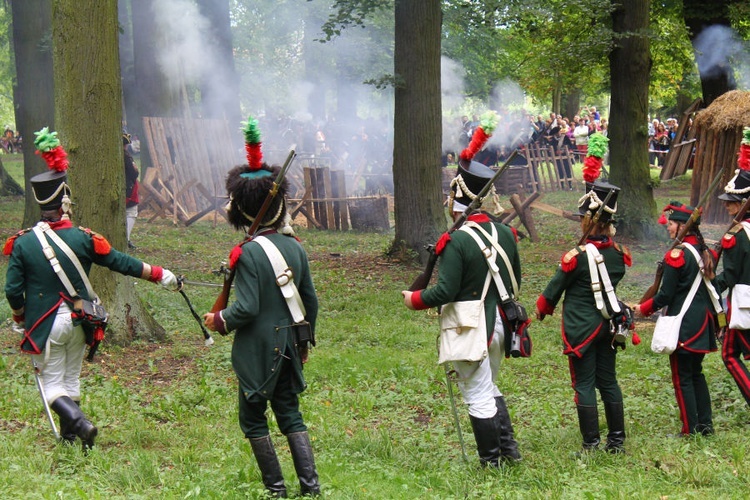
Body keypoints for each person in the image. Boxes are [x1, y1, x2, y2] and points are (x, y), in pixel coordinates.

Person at [3, 127, 180, 451]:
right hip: (81, 320)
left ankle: (82, 425)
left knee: (52, 386)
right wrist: (161, 274)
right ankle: (75, 444)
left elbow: (13, 291)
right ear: (65, 199)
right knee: (71, 381)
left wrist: (19, 317)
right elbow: (121, 262)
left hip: (48, 325)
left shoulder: (23, 243)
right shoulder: (85, 238)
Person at [202, 117, 320, 497]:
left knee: (252, 418)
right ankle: (310, 487)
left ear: (244, 208)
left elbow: (247, 308)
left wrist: (218, 320)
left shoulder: (250, 252)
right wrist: (304, 342)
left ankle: (276, 490)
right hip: (288, 345)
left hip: (256, 350)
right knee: (289, 412)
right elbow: (310, 301)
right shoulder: (296, 246)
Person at [401, 112, 524, 468]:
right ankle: (509, 452)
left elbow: (445, 291)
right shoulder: (505, 233)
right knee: (490, 386)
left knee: (477, 393)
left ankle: (492, 463)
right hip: (503, 321)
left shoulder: (457, 240)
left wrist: (414, 300)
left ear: (460, 196)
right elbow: (514, 277)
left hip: (472, 326)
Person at [535, 179, 633, 453]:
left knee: (585, 384)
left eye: (583, 218)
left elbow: (550, 294)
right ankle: (616, 442)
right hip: (609, 326)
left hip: (582, 328)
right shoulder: (617, 255)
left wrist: (542, 310)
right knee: (609, 382)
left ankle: (591, 444)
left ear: (590, 220)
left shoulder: (575, 257)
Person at [634, 201, 720, 436]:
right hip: (703, 322)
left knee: (682, 377)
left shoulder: (677, 255)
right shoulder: (705, 252)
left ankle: (689, 430)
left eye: (671, 224)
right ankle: (706, 426)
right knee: (696, 374)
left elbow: (665, 295)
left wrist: (644, 308)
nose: (668, 228)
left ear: (682, 226)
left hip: (683, 324)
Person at [713, 129, 750, 408]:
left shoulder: (736, 236)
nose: (728, 208)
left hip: (743, 303)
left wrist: (709, 287)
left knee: (728, 355)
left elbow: (731, 275)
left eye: (733, 203)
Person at [123, 133, 139, 249]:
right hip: (127, 188)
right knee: (131, 212)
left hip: (126, 187)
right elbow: (133, 173)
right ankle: (126, 239)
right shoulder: (126, 157)